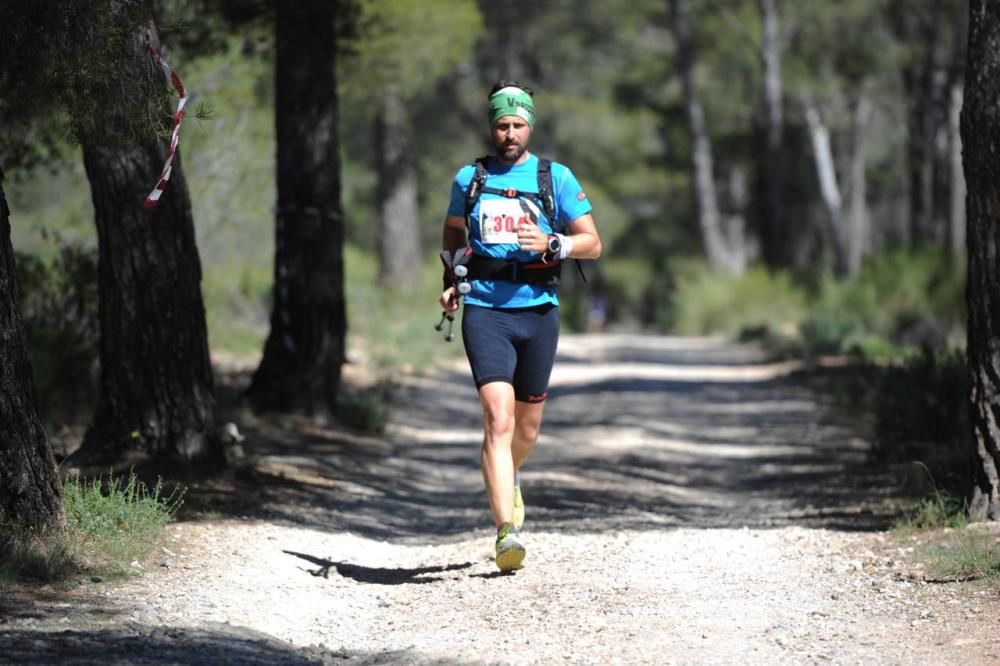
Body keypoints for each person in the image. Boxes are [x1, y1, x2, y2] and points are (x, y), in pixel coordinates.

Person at [438, 81, 602, 572]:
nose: (509, 134)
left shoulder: (556, 177)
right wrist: (449, 277)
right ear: (491, 127)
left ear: (530, 125)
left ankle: (508, 476)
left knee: (526, 429)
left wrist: (554, 244)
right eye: (501, 125)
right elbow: (451, 231)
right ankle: (505, 533)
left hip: (539, 309)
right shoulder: (470, 178)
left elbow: (592, 242)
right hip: (485, 309)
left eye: (517, 125)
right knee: (499, 420)